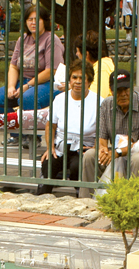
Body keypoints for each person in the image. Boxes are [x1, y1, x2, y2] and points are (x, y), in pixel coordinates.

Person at [0, 5, 65, 149]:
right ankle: (17, 136)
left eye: (37, 19)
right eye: (30, 19)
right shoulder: (22, 39)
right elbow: (13, 66)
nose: (33, 23)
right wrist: (11, 87)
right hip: (23, 81)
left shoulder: (51, 39)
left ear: (45, 21)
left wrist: (28, 85)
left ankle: (32, 138)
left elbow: (51, 70)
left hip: (46, 83)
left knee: (27, 98)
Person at [82, 69, 139, 197]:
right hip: (115, 152)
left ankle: (135, 201)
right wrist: (103, 149)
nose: (123, 94)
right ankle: (87, 201)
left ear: (132, 88)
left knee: (137, 159)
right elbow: (102, 137)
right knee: (90, 155)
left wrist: (117, 152)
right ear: (111, 91)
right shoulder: (106, 104)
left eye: (126, 89)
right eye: (118, 90)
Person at [38, 60, 99, 195]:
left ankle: (81, 196)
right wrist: (50, 148)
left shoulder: (99, 102)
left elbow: (103, 130)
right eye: (74, 77)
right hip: (60, 147)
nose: (78, 82)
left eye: (82, 78)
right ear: (69, 80)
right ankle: (42, 197)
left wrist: (94, 148)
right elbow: (50, 125)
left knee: (77, 166)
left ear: (89, 81)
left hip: (83, 148)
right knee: (48, 163)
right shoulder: (60, 99)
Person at [73, 30, 114, 98]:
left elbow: (98, 97)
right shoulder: (98, 66)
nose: (76, 54)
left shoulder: (102, 68)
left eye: (77, 51)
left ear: (86, 54)